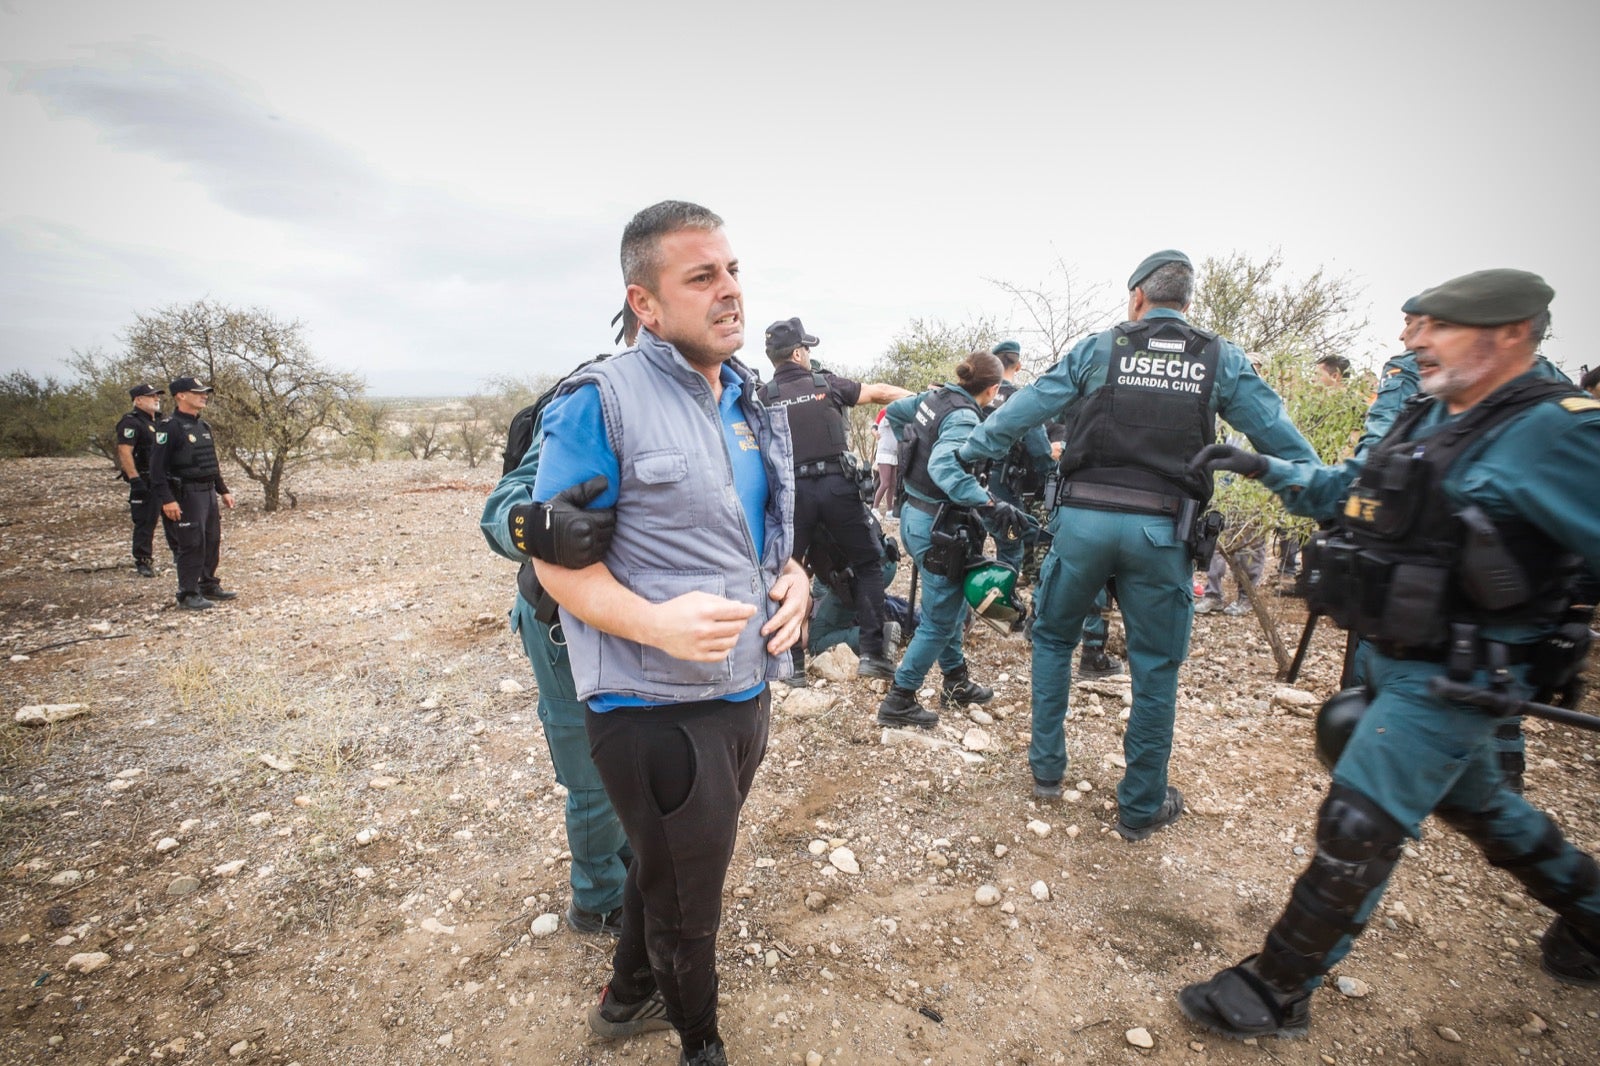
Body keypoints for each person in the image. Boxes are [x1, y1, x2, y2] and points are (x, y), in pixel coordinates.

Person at [1178, 268, 1600, 1040]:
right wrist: (1268, 468)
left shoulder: (1559, 429)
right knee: (1485, 808)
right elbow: (1353, 490)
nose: (1413, 337)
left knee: (1360, 818)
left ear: (1507, 333)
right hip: (1386, 648)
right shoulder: (1435, 413)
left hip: (1457, 675)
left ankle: (1275, 990)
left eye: (1435, 325)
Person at [526, 200, 809, 1066]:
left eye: (731, 271)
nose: (729, 292)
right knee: (692, 906)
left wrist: (796, 581)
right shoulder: (597, 403)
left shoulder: (750, 399)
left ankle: (625, 998)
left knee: (668, 869)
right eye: (701, 277)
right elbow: (557, 563)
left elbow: (759, 536)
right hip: (651, 705)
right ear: (645, 303)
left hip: (743, 688)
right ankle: (700, 1044)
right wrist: (655, 623)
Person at [958, 250, 1318, 831]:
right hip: (1163, 532)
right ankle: (1140, 806)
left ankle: (1047, 771)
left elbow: (1023, 408)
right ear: (1187, 304)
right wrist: (1317, 488)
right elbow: (1279, 437)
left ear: (1136, 299)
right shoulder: (1218, 360)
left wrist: (971, 450)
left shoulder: (1100, 349)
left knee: (1053, 639)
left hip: (1082, 524)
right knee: (1155, 666)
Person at [479, 317, 638, 940]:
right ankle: (597, 896)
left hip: (631, 621)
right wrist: (538, 526)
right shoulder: (596, 401)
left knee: (627, 754)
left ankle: (626, 867)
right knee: (590, 767)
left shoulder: (703, 399)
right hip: (560, 619)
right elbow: (504, 504)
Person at [759, 317, 910, 681]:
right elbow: (879, 393)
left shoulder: (764, 396)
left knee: (788, 571)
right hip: (837, 487)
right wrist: (931, 399)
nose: (809, 354)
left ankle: (793, 666)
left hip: (792, 494)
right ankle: (873, 654)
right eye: (806, 348)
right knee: (869, 563)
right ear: (797, 353)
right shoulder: (827, 384)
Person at [877, 351, 1016, 729]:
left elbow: (893, 413)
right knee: (938, 620)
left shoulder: (934, 399)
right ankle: (899, 699)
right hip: (936, 524)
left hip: (914, 515)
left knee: (951, 604)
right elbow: (943, 466)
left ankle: (956, 680)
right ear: (993, 389)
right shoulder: (964, 415)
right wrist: (987, 500)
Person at [148, 377, 237, 610]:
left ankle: (208, 584)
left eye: (204, 392)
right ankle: (188, 593)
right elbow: (156, 469)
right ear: (181, 396)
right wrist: (167, 499)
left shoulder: (202, 426)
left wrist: (223, 490)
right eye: (197, 392)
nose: (203, 396)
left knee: (211, 540)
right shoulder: (170, 427)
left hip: (207, 493)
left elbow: (211, 464)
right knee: (192, 543)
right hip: (186, 494)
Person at [114, 383, 164, 578]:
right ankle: (143, 560)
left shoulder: (161, 421)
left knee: (175, 518)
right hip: (144, 478)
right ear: (138, 400)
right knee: (145, 521)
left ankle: (179, 554)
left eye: (157, 396)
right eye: (152, 396)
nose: (157, 399)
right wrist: (135, 479)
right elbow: (124, 451)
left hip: (163, 478)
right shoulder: (131, 422)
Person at [872, 408, 899, 515]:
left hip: (893, 453)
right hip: (884, 453)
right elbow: (874, 427)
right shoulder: (887, 416)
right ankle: (874, 508)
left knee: (893, 483)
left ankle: (889, 510)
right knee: (885, 483)